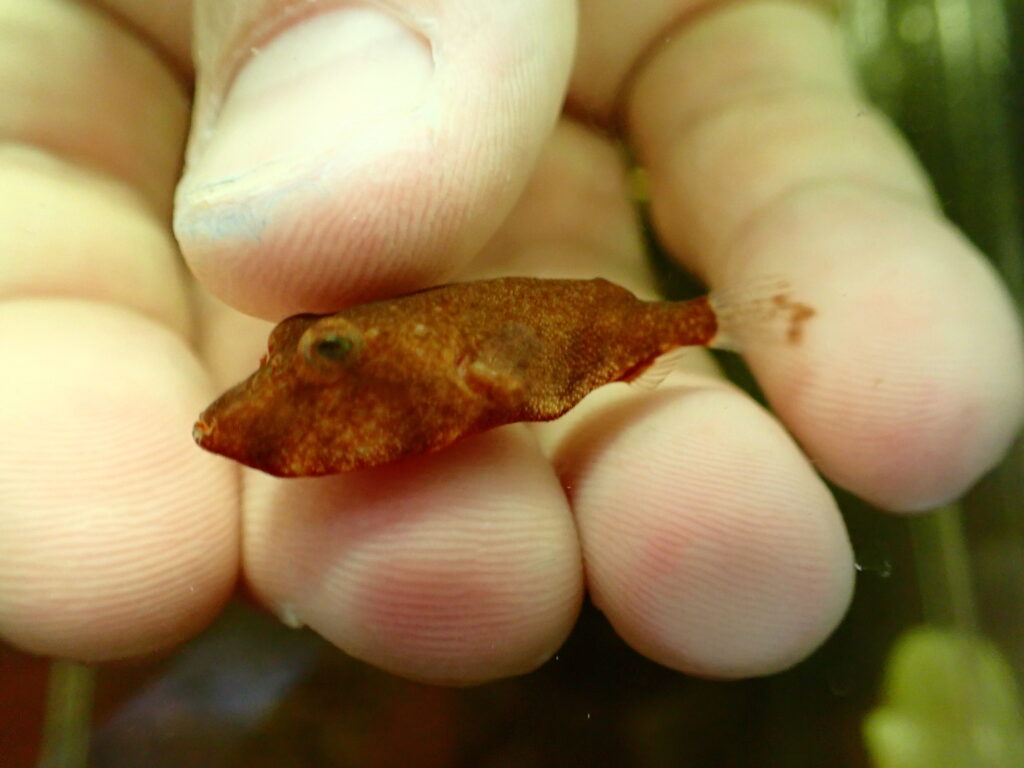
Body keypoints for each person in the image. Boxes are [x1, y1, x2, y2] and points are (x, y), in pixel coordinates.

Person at [1, 0, 1020, 686]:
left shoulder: (454, 359)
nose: (305, 372)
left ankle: (740, 317)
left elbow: (514, 378)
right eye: (310, 352)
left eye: (325, 359)